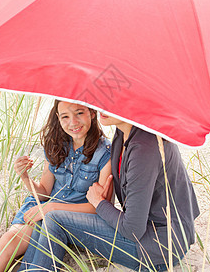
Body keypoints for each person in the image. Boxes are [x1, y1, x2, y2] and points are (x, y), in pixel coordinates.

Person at [18, 113, 200, 272]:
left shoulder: (145, 147)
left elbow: (132, 229)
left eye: (113, 103)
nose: (103, 108)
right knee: (47, 217)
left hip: (159, 246)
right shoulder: (124, 132)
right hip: (144, 228)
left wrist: (99, 202)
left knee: (55, 219)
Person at [0, 100, 111, 272]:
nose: (73, 122)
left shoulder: (105, 151)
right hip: (43, 206)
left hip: (71, 216)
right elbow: (44, 192)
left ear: (92, 113)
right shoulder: (57, 145)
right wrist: (24, 176)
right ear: (58, 118)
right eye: (65, 116)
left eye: (79, 113)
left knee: (30, 244)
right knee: (10, 240)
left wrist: (50, 208)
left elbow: (100, 207)